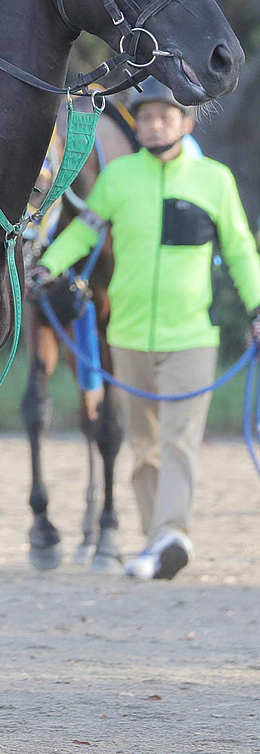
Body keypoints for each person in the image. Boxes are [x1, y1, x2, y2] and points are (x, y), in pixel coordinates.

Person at [30, 78, 260, 580]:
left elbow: (241, 250)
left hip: (192, 339)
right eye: (148, 118)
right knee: (143, 447)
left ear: (187, 123)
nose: (155, 126)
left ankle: (172, 533)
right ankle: (160, 542)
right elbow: (84, 229)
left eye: (166, 117)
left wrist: (257, 307)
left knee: (178, 440)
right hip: (129, 338)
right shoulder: (118, 180)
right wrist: (47, 268)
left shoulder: (214, 180)